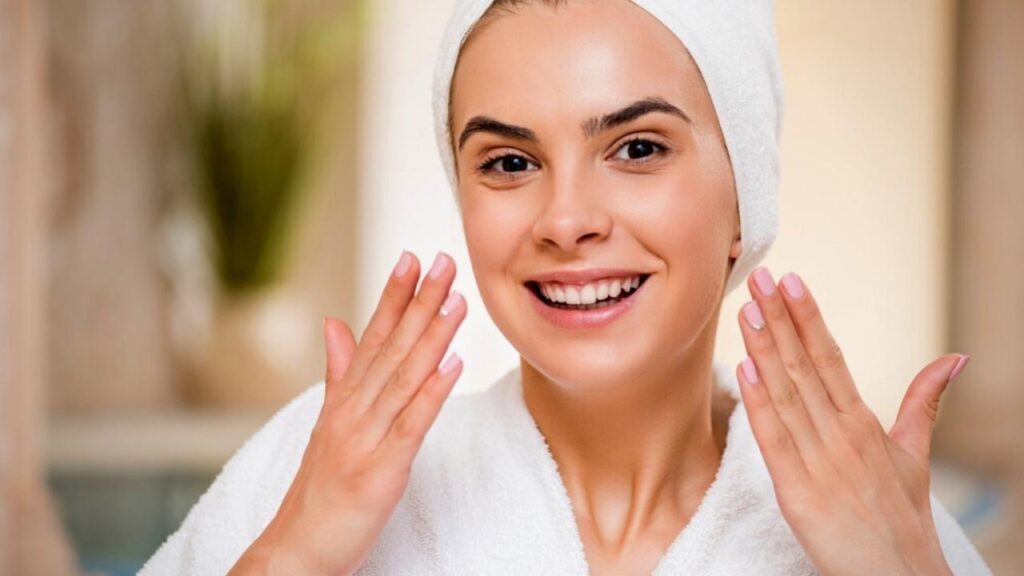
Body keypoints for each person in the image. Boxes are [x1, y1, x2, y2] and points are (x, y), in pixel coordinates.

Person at [140, 0, 992, 574]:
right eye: (509, 162)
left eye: (637, 148)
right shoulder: (314, 472)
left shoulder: (879, 516)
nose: (567, 218)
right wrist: (295, 552)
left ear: (746, 198)